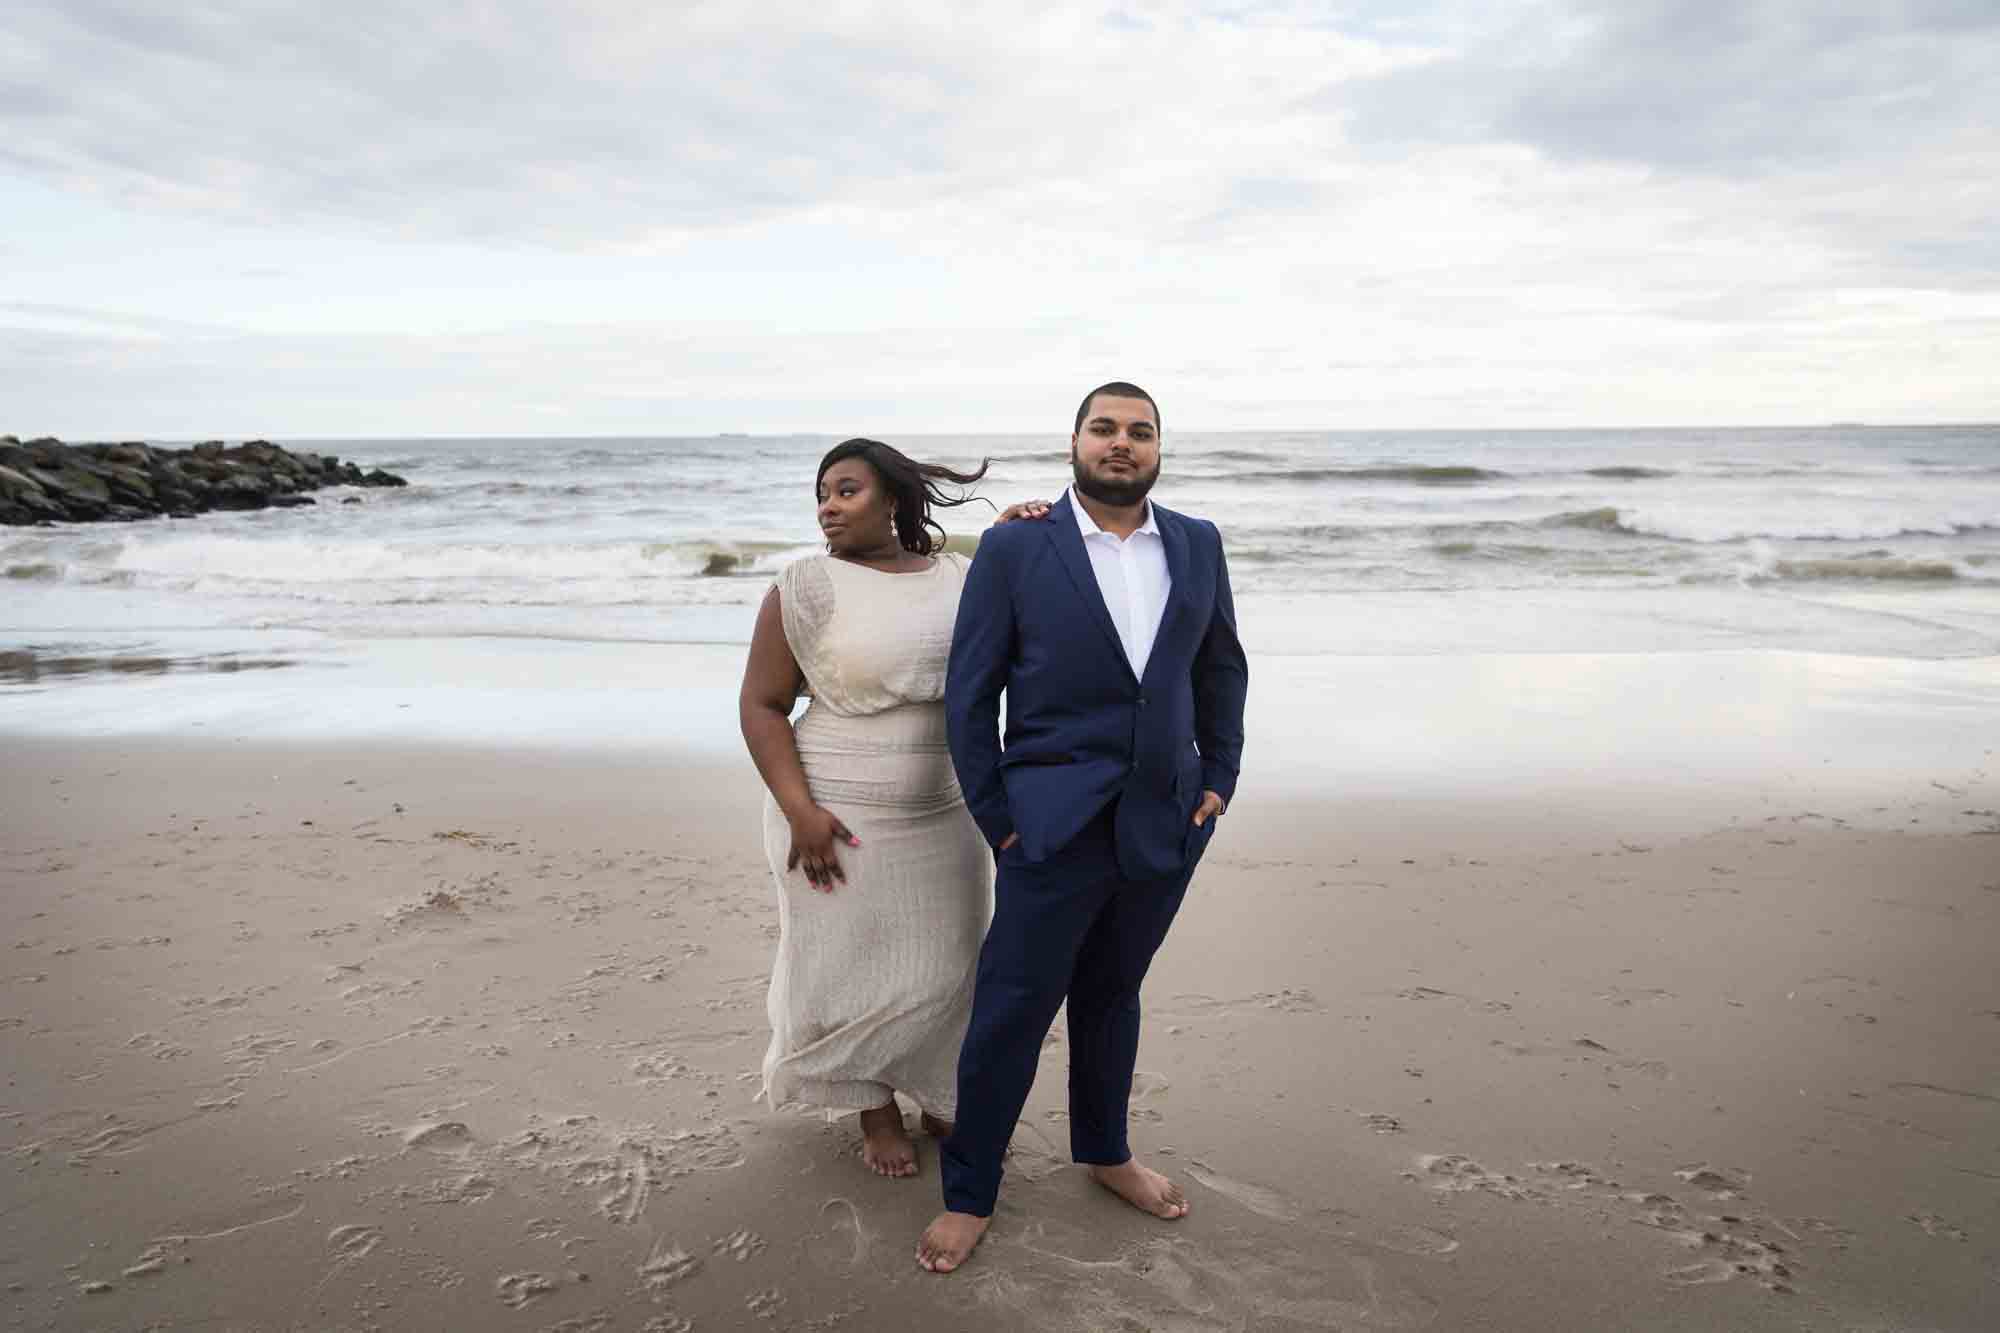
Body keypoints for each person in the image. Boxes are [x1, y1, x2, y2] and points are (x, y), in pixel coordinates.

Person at [917, 382, 1248, 1272]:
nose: (1122, 443)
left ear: (1157, 449)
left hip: (1164, 822)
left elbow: (1221, 666)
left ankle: (1105, 1151)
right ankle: (970, 1190)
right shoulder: (1017, 545)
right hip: (1048, 827)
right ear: (1073, 440)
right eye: (1104, 427)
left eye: (1140, 432)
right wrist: (999, 817)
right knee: (1011, 1011)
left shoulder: (1197, 541)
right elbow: (971, 693)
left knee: (1113, 995)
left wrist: (1220, 776)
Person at [739, 439, 1048, 1177]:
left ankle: (941, 1088)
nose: (828, 505)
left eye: (846, 489)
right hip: (833, 806)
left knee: (949, 960)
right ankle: (873, 1107)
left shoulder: (959, 576)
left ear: (894, 501)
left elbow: (1009, 619)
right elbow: (762, 703)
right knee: (846, 962)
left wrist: (1014, 530)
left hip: (946, 804)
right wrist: (800, 810)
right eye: (821, 493)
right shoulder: (805, 585)